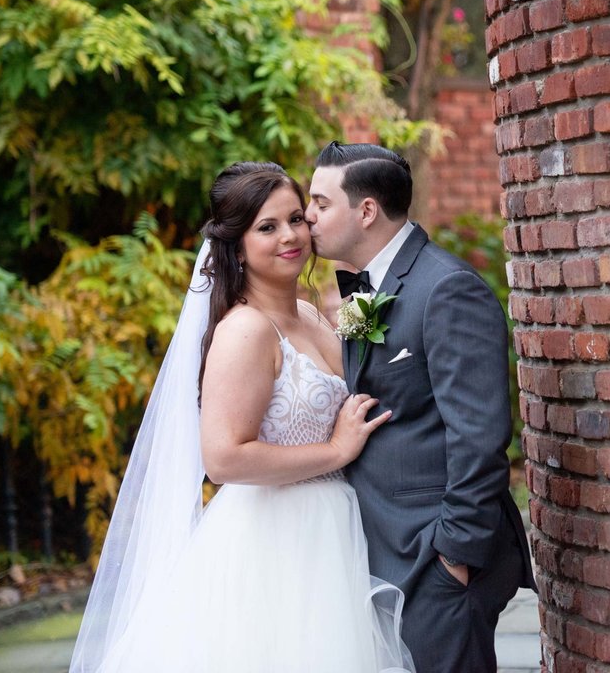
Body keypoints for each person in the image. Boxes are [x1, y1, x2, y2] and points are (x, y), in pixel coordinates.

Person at [70, 162, 413, 673]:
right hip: (275, 542)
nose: (291, 236)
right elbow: (224, 457)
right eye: (267, 227)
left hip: (333, 533)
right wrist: (336, 451)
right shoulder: (246, 331)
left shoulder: (313, 316)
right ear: (236, 246)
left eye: (297, 218)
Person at [307, 142, 535, 673]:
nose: (308, 217)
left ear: (366, 211)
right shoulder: (362, 293)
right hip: (381, 549)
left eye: (320, 203)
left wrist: (453, 559)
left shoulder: (448, 288)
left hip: (436, 560)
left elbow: (480, 437)